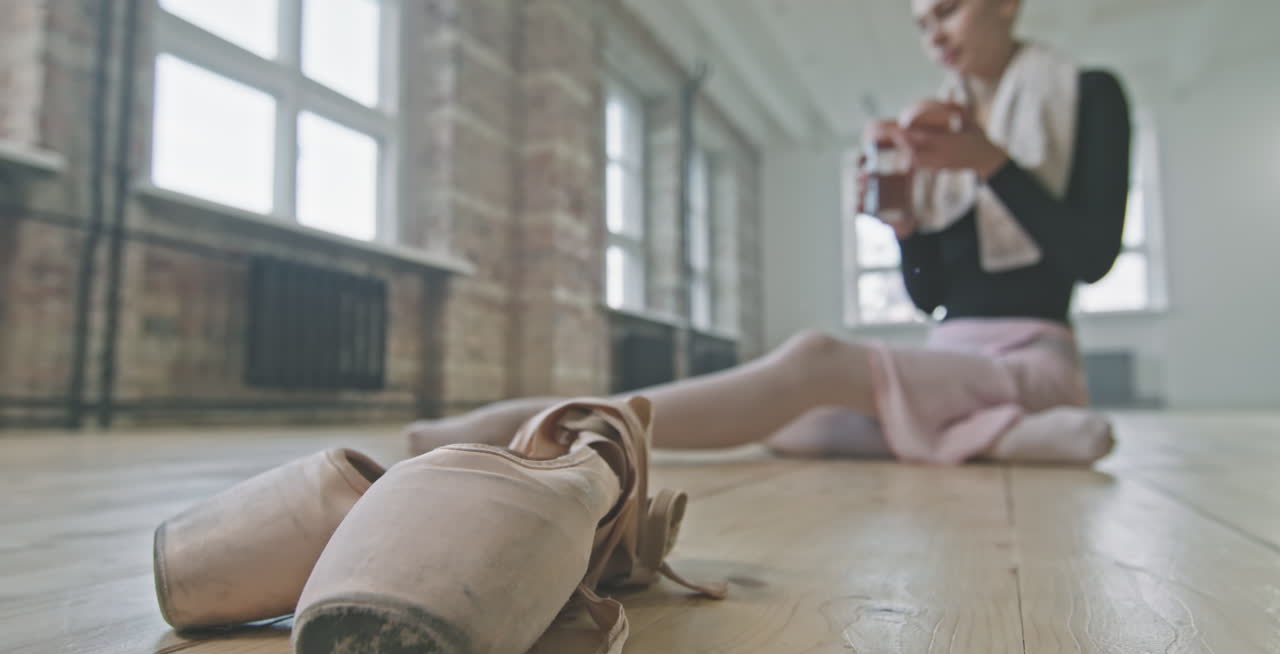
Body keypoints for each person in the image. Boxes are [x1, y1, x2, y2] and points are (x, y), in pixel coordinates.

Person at [407, 0, 1127, 466]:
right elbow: (934, 300)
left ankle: (539, 425)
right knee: (788, 425)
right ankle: (1007, 438)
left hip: (1033, 359)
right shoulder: (943, 127)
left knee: (810, 362)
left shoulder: (1087, 96)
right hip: (954, 358)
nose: (934, 32)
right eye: (920, 22)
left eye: (948, 10)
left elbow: (1091, 259)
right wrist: (906, 226)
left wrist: (993, 164)